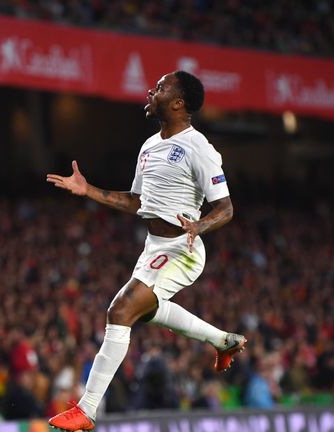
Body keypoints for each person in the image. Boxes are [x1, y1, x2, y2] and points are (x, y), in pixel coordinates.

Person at [45, 70, 246, 431]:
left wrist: (199, 225)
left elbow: (226, 208)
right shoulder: (149, 146)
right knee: (150, 311)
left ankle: (87, 410)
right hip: (154, 246)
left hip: (181, 250)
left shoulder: (198, 147)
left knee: (120, 310)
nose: (152, 90)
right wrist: (88, 189)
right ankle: (223, 341)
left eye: (161, 87)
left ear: (179, 103)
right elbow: (136, 201)